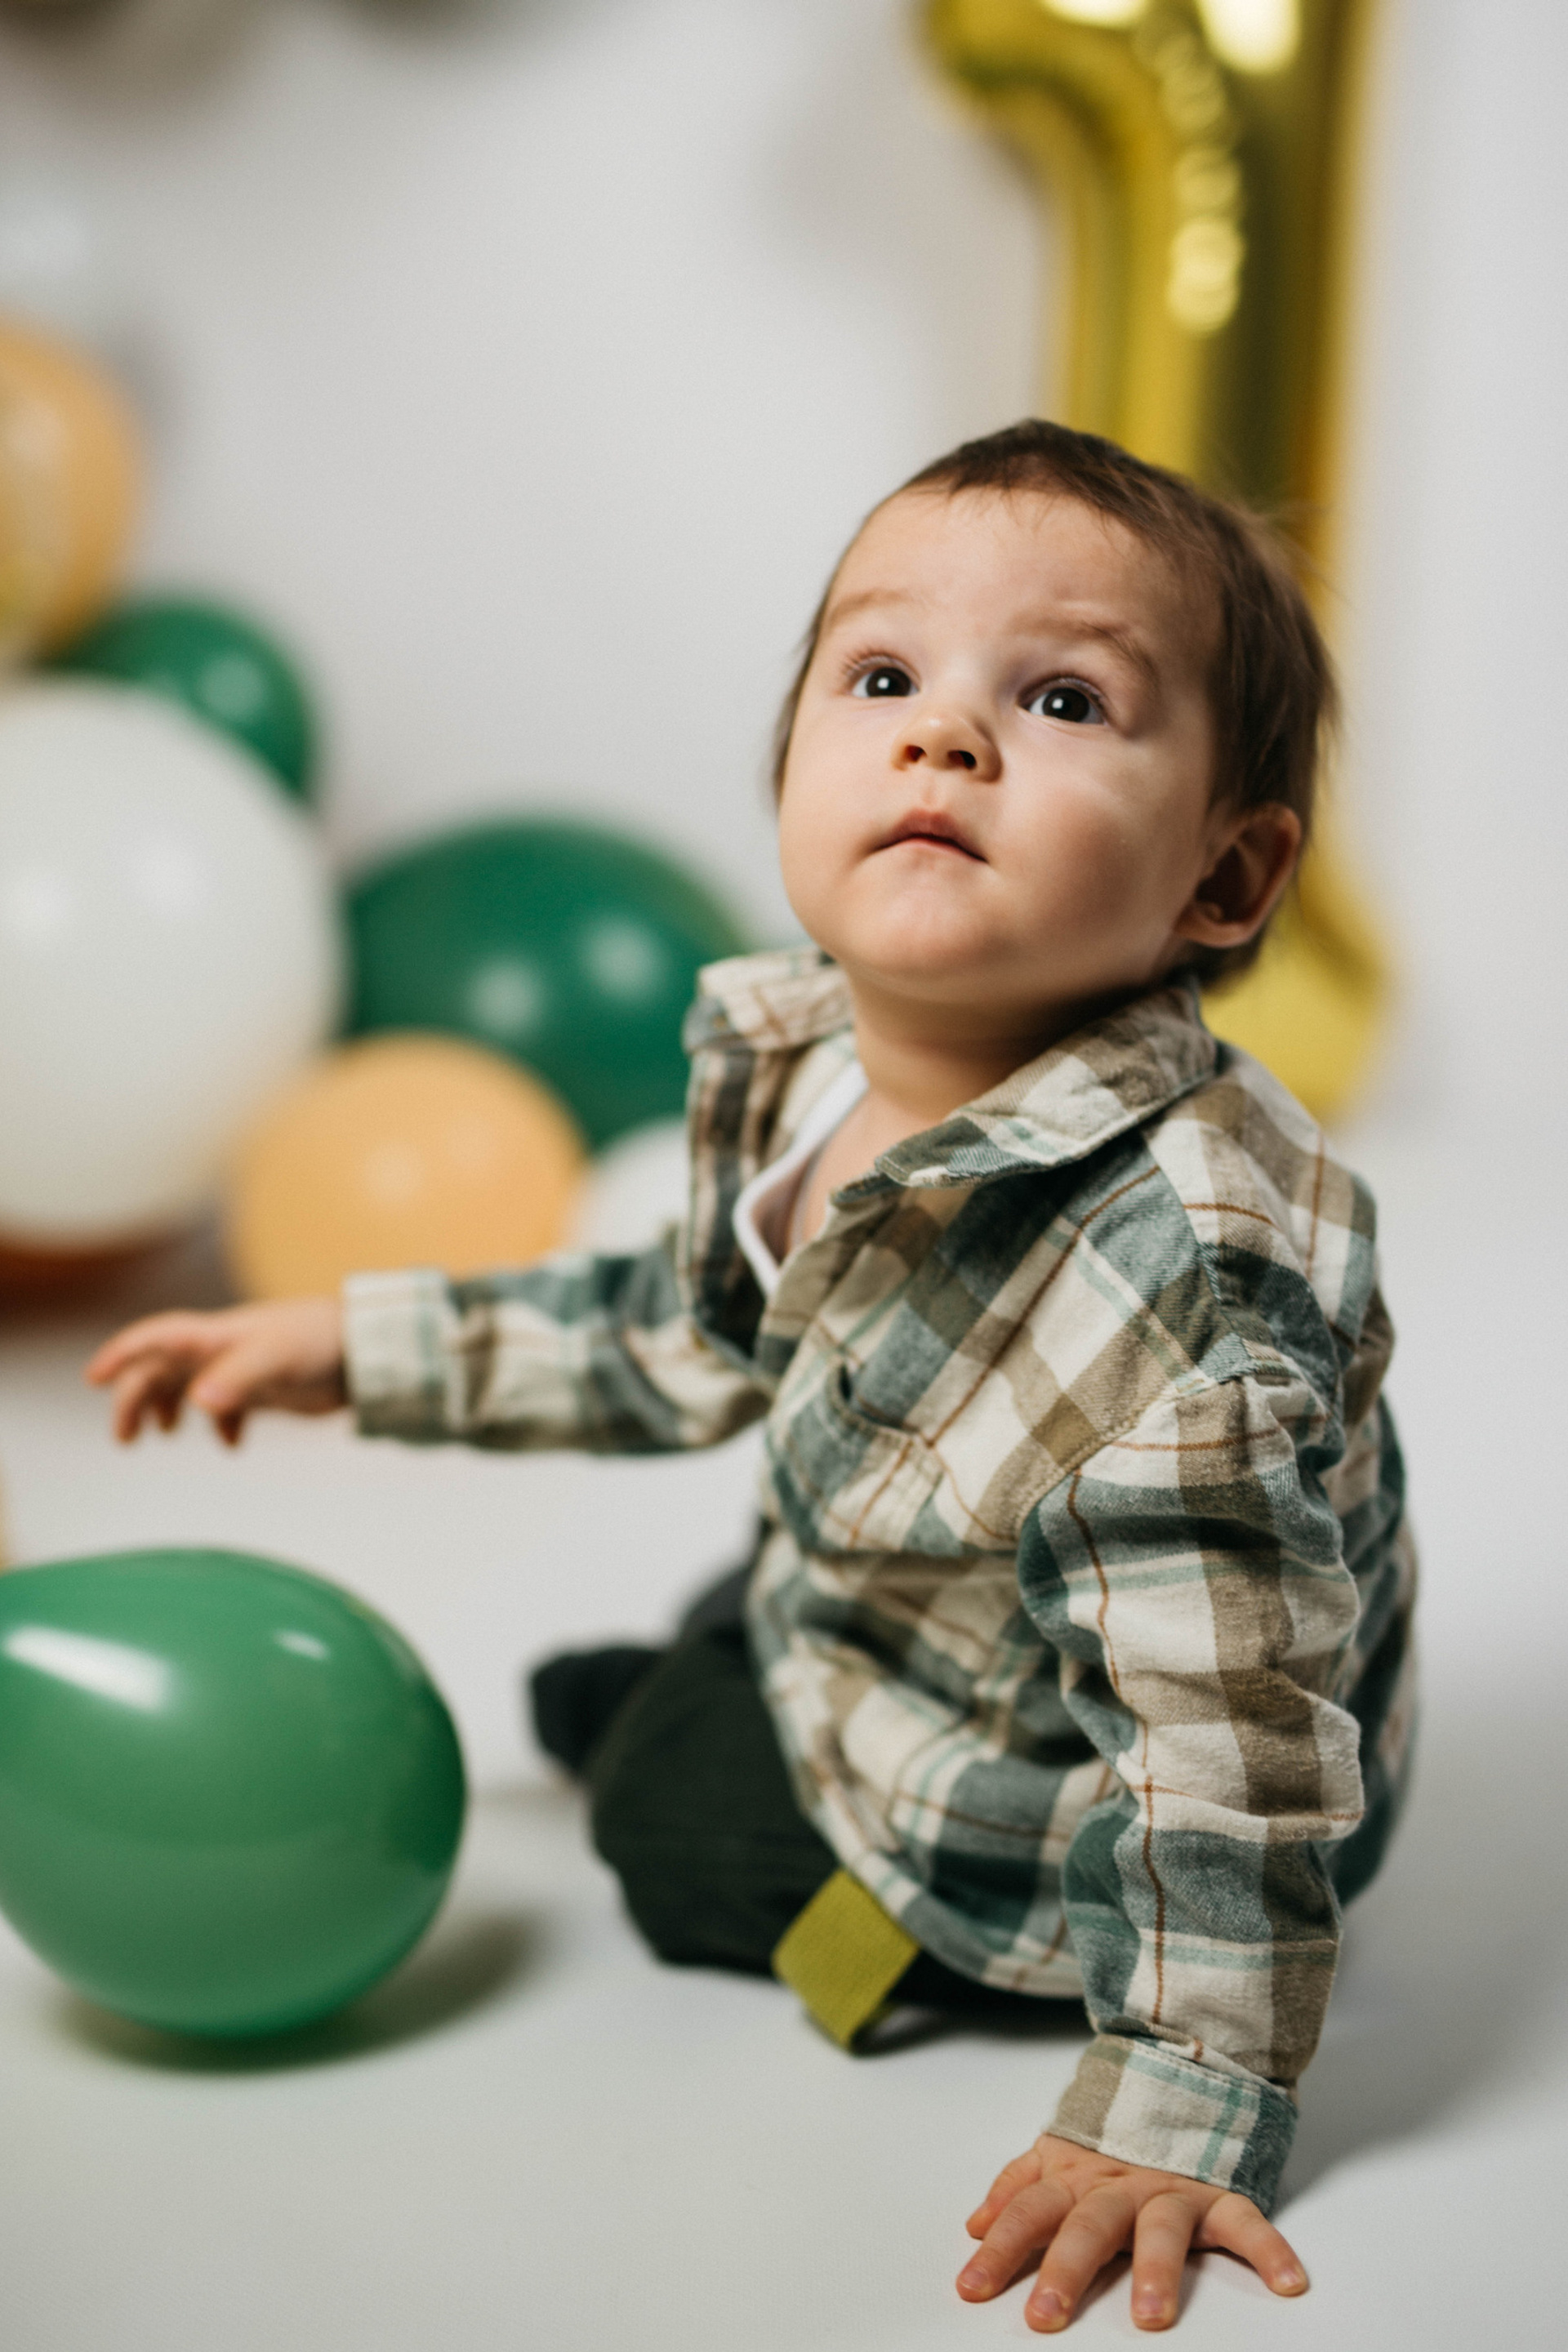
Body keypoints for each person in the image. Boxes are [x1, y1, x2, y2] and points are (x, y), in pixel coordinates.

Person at [87, 421, 1415, 2336]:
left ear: (1228, 872)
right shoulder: (827, 1064)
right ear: (793, 757)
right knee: (750, 1597)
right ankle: (739, 1683)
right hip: (932, 1587)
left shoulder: (1185, 1298)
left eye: (1060, 699)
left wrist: (1184, 2103)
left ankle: (880, 1944)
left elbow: (1229, 1754)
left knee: (665, 1825)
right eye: (885, 679)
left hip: (1078, 1806)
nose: (946, 738)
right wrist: (357, 1349)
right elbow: (678, 1326)